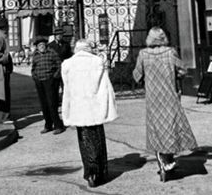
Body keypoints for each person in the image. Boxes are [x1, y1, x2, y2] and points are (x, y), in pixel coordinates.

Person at [132, 26, 198, 181]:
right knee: (170, 126)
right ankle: (168, 158)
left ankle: (163, 160)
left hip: (153, 97)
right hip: (169, 95)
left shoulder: (143, 54)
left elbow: (137, 75)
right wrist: (175, 77)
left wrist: (145, 78)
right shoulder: (170, 52)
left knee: (156, 128)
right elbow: (182, 70)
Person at [61, 39, 117, 188]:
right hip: (95, 108)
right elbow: (105, 86)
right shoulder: (97, 62)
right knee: (98, 138)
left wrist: (67, 106)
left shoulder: (67, 64)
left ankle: (90, 172)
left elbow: (66, 88)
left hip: (79, 108)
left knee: (84, 139)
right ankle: (100, 171)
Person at [31, 35, 65, 135]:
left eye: (42, 44)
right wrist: (34, 76)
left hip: (50, 81)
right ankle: (48, 125)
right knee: (44, 104)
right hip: (39, 82)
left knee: (52, 104)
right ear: (36, 47)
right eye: (39, 45)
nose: (41, 46)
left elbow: (60, 66)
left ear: (45, 45)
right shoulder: (35, 55)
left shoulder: (52, 53)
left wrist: (54, 77)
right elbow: (33, 68)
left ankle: (58, 125)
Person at [48, 26, 72, 99]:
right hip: (55, 68)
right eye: (57, 35)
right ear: (55, 36)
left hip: (64, 67)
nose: (59, 36)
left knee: (65, 85)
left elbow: (69, 56)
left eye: (60, 35)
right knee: (55, 86)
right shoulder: (50, 45)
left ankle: (65, 99)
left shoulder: (66, 44)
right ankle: (55, 100)